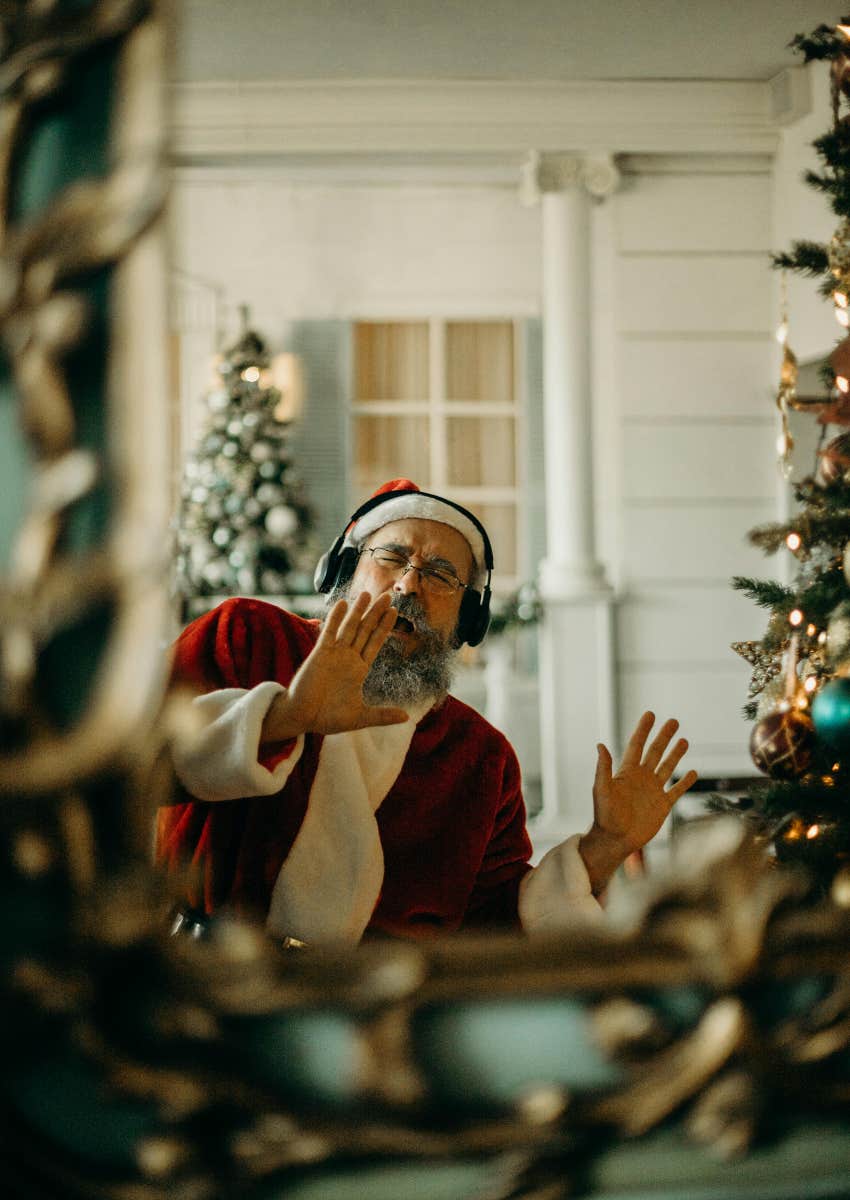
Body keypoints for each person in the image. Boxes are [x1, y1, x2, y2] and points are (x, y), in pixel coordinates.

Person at [157, 479, 697, 943]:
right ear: (345, 571)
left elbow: (493, 926)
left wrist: (607, 845)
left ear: (467, 620)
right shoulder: (247, 636)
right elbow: (135, 763)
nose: (409, 584)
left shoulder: (479, 757)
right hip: (207, 990)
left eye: (440, 575)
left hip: (377, 1020)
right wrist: (285, 718)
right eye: (391, 557)